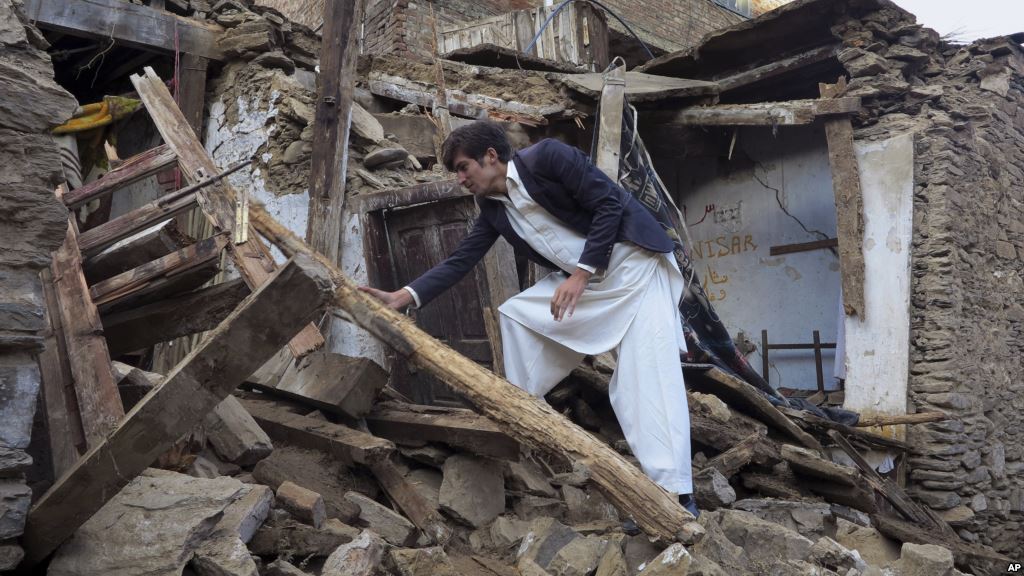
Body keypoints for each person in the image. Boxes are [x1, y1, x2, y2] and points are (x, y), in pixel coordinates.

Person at [360, 121, 697, 515]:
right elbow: (461, 260)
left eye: (464, 167)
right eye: (455, 171)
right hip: (589, 284)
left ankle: (675, 497)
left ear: (491, 156)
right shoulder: (492, 208)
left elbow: (610, 203)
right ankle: (523, 412)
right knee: (518, 315)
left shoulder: (550, 157)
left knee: (645, 380)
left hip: (637, 266)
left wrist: (580, 273)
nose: (460, 178)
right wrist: (402, 296)